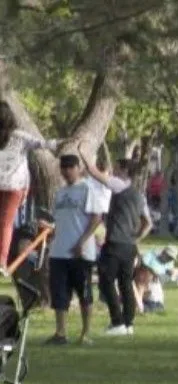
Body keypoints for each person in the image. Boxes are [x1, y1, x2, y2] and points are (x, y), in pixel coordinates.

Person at [82, 158, 153, 337]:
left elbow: (93, 172)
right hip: (129, 246)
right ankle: (128, 323)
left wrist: (83, 152)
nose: (112, 171)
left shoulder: (119, 185)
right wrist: (136, 238)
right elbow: (148, 223)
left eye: (115, 168)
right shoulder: (140, 195)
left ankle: (117, 321)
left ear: (123, 170)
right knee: (126, 283)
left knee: (106, 282)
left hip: (114, 243)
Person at [44, 155, 104, 346]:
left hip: (81, 252)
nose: (67, 171)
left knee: (84, 293)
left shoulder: (87, 189)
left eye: (71, 167)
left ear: (79, 168)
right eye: (64, 167)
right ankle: (60, 333)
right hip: (59, 251)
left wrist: (82, 241)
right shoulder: (60, 193)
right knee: (59, 294)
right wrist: (48, 228)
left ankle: (85, 333)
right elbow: (58, 220)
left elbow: (97, 218)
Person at [0, 101, 55, 272]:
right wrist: (61, 142)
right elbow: (43, 144)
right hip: (15, 185)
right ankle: (1, 260)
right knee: (6, 223)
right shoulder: (20, 136)